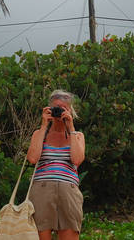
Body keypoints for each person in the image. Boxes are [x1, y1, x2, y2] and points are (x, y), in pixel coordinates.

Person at [26, 90, 86, 240]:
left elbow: (77, 160)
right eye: (56, 108)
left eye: (63, 108)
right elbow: (32, 158)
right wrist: (43, 126)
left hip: (69, 191)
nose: (59, 112)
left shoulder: (78, 136)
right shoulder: (39, 134)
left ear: (70, 111)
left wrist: (71, 128)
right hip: (41, 190)